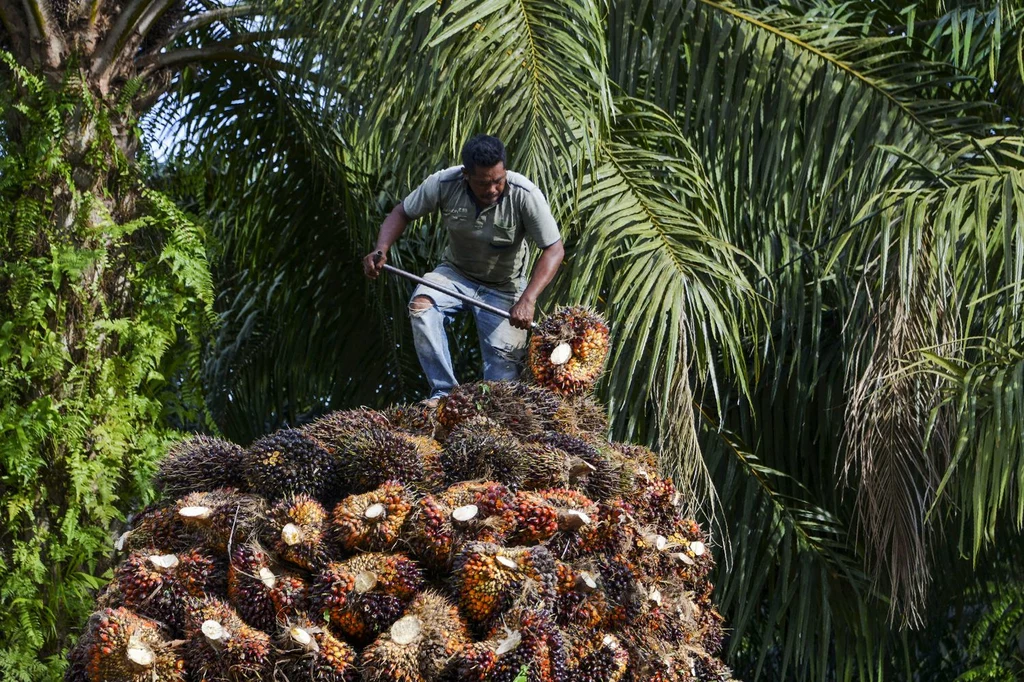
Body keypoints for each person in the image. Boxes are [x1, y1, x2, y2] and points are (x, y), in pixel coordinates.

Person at [363, 134, 565, 403]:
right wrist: (381, 249)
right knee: (421, 306)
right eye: (484, 183)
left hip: (505, 287)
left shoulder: (525, 194)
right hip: (455, 274)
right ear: (466, 175)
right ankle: (445, 394)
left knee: (502, 389)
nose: (493, 189)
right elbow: (402, 212)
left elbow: (554, 249)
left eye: (498, 180)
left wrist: (527, 300)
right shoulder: (444, 183)